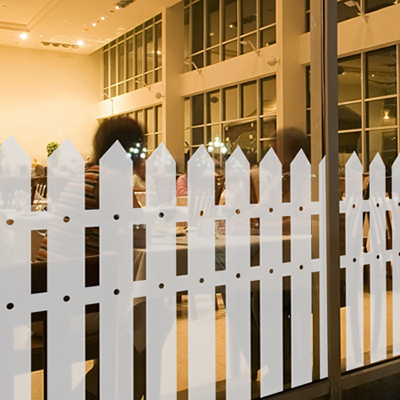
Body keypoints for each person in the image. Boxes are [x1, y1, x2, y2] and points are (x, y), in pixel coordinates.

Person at [34, 117, 146, 400]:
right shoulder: (110, 179)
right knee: (148, 319)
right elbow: (141, 236)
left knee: (137, 315)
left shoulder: (88, 175)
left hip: (40, 302)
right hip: (65, 309)